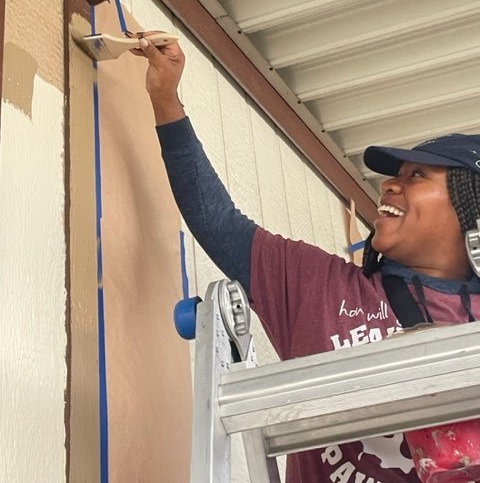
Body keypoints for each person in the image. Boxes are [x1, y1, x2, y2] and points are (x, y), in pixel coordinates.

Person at [131, 36, 480, 483]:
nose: (389, 186)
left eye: (417, 176)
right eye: (393, 176)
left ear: (469, 209)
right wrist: (166, 100)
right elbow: (215, 220)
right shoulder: (319, 286)